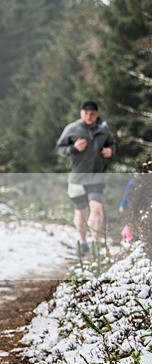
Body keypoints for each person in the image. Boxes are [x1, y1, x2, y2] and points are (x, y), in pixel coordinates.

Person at [56, 100, 116, 258]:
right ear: (81, 113)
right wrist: (74, 148)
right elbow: (60, 148)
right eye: (86, 113)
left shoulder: (104, 129)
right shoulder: (72, 129)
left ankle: (95, 244)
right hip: (77, 178)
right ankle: (82, 243)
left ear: (97, 114)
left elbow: (112, 145)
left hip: (96, 177)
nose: (89, 116)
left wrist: (110, 151)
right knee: (80, 212)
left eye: (92, 114)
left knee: (96, 208)